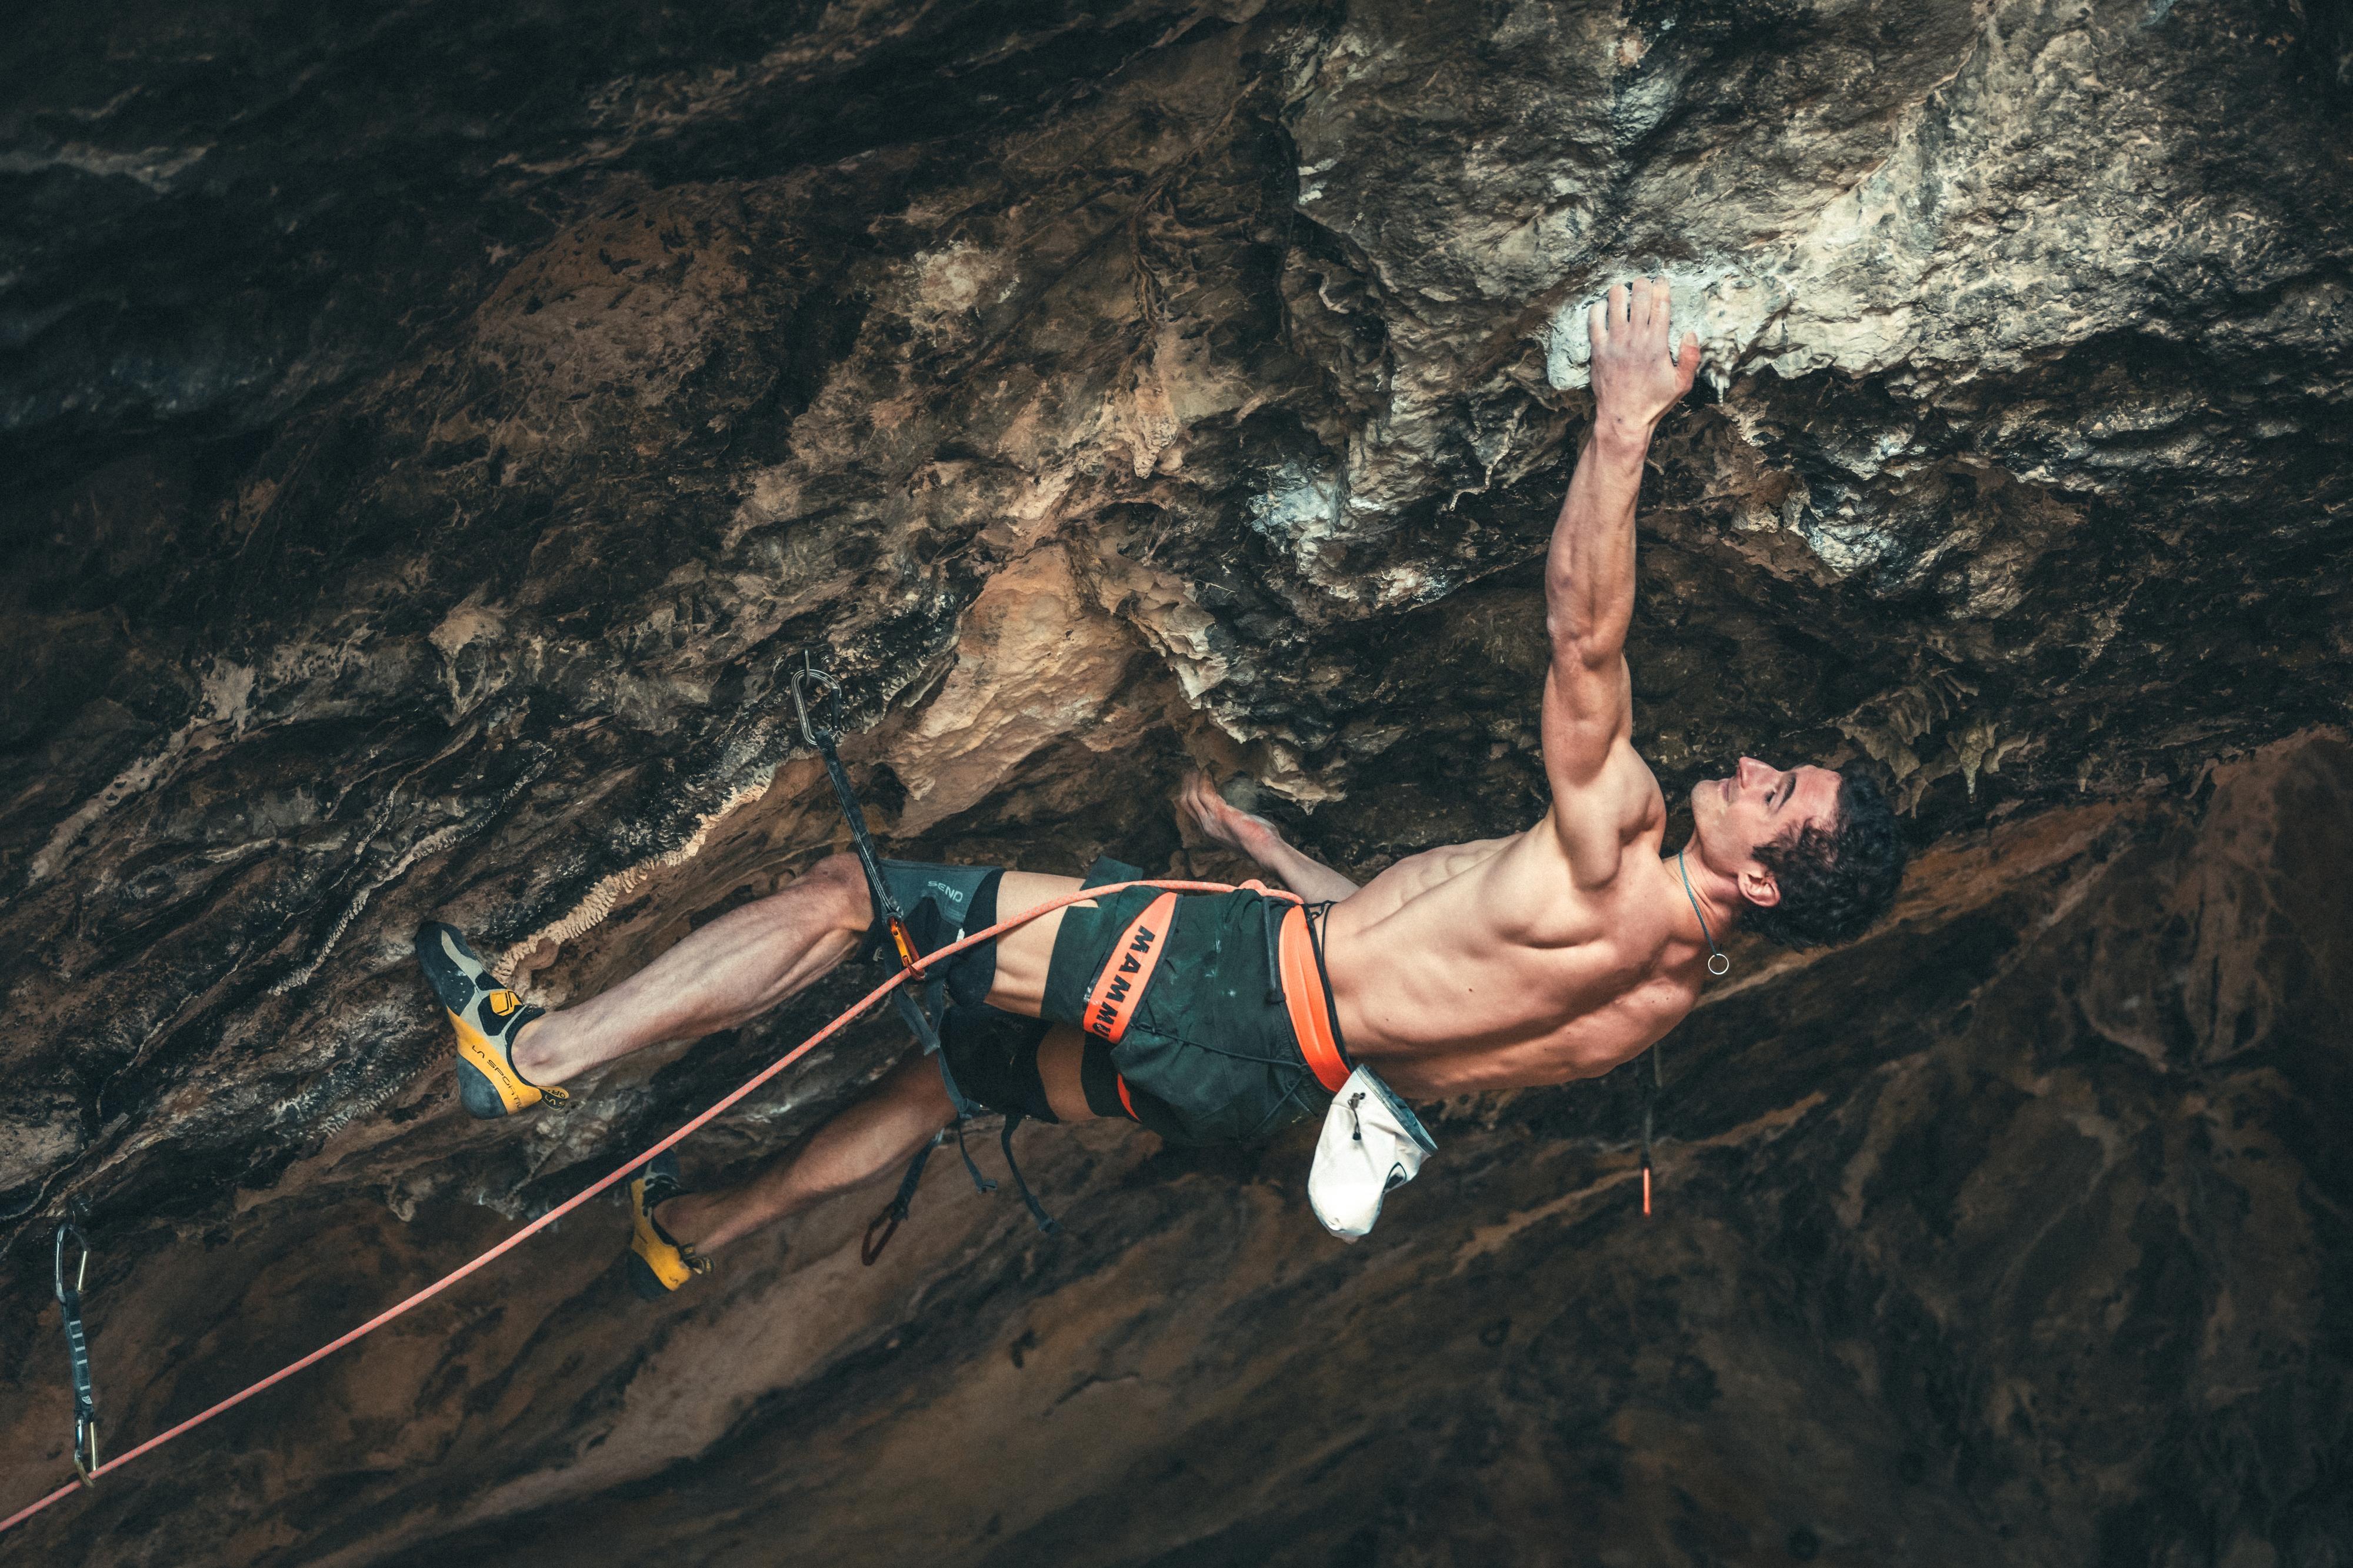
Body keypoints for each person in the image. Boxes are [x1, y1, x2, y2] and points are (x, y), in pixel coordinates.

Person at [414, 278, 1905, 1297]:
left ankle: (534, 1049)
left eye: (1776, 792)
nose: (1751, 767)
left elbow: (1584, 637)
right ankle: (695, 1229)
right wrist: (1274, 851)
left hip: (1215, 978)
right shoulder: (1655, 1001)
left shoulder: (1617, 838)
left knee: (860, 898)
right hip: (1253, 1083)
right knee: (945, 1080)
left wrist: (1622, 418)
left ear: (1759, 875)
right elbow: (1426, 1000)